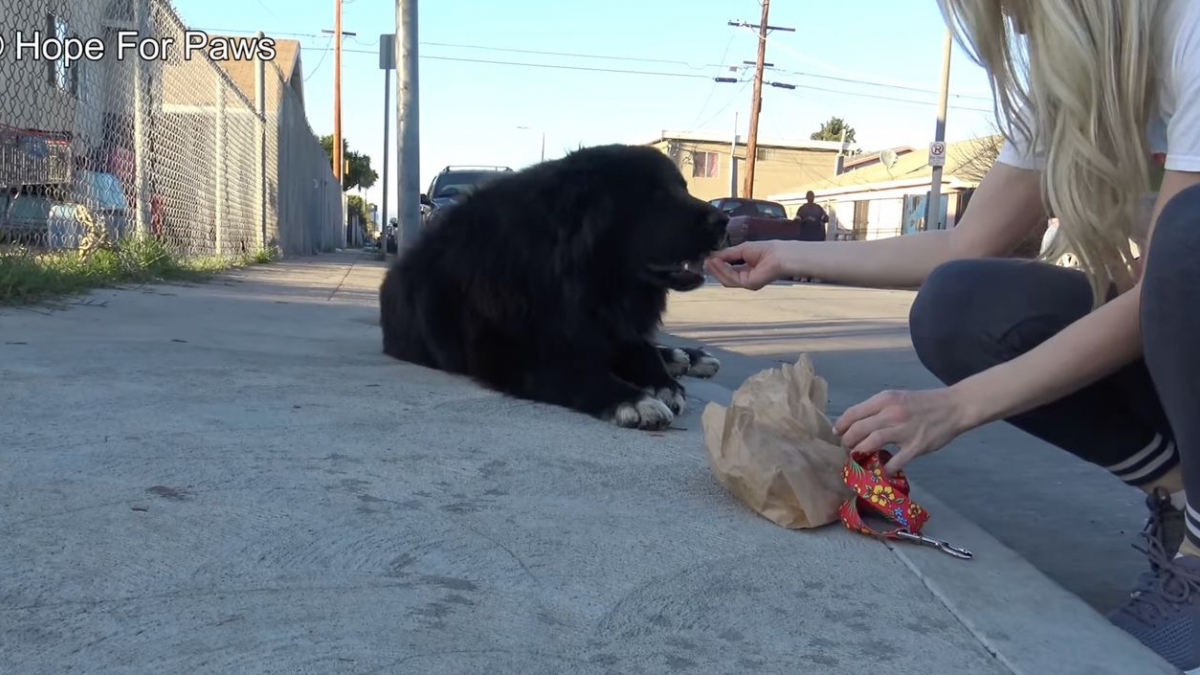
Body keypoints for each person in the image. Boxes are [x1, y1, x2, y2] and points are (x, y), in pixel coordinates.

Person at [704, 0, 1200, 670]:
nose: (1016, 28)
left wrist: (959, 406)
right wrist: (788, 258)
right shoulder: (1075, 76)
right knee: (959, 304)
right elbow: (966, 244)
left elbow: (1170, 279)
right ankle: (1179, 497)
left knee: (1189, 233)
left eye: (1012, 9)